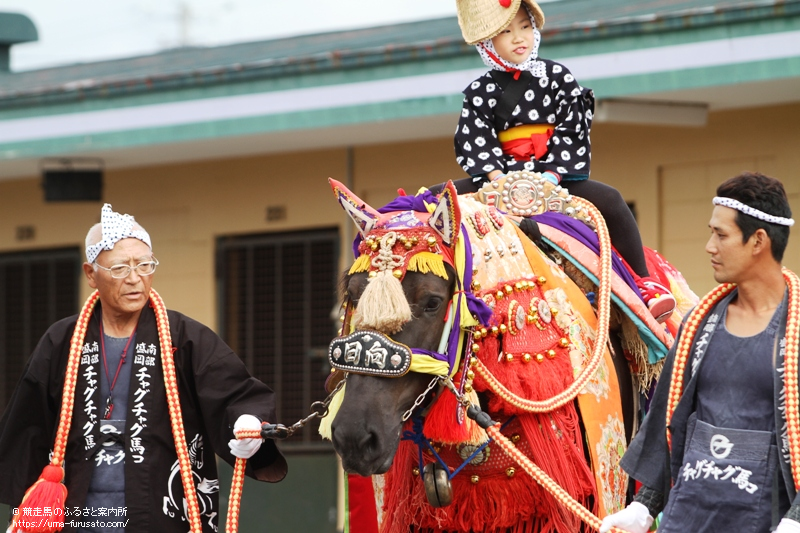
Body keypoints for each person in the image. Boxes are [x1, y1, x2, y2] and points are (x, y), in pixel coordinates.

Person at [0, 204, 287, 533]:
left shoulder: (185, 337)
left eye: (144, 265)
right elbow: (28, 426)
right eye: (120, 268)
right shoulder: (62, 340)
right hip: (77, 512)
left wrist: (247, 423)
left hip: (157, 511)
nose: (135, 278)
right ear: (91, 274)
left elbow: (234, 392)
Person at [448, 0, 675, 321]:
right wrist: (497, 178)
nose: (519, 38)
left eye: (526, 27)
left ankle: (645, 283)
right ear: (487, 42)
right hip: (497, 175)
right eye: (507, 31)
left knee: (610, 199)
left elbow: (572, 126)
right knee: (435, 199)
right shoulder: (478, 91)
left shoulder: (557, 76)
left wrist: (552, 176)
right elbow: (475, 137)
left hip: (552, 174)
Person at [600, 172, 800, 533]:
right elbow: (666, 417)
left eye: (721, 235)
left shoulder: (796, 329)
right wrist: (644, 508)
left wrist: (796, 519)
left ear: (758, 241)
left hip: (764, 519)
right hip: (687, 515)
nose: (709, 246)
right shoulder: (698, 323)